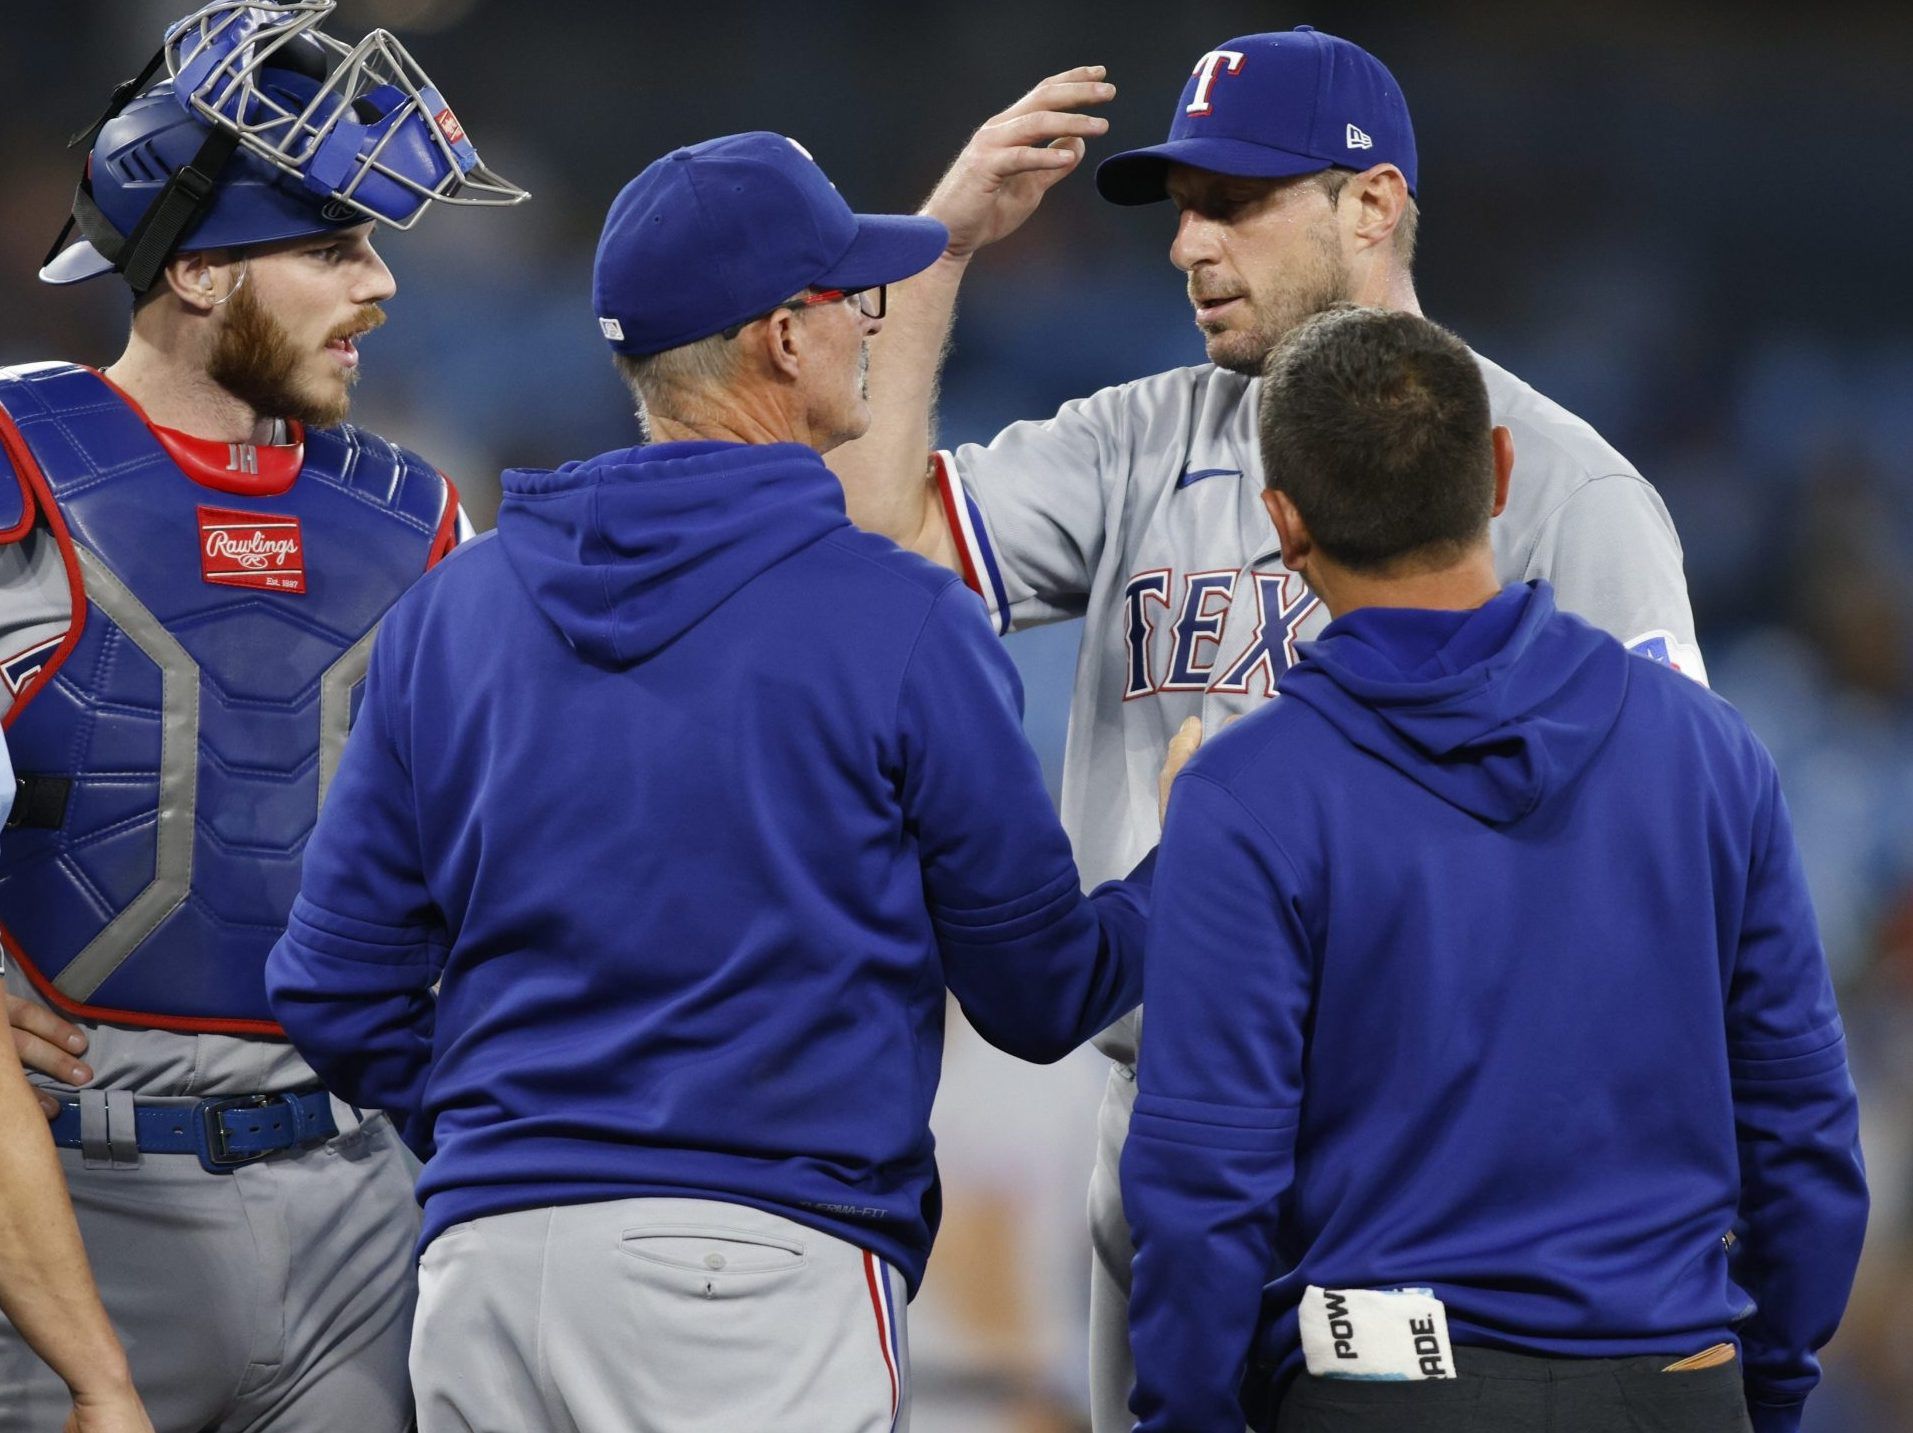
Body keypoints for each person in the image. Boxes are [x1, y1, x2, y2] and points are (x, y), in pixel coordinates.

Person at [825, 27, 1707, 1425]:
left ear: (1371, 205)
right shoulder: (1138, 438)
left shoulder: (1560, 488)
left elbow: (1672, 860)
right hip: (1166, 1123)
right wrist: (934, 255)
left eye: (1233, 203)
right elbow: (872, 554)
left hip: (1423, 1140)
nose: (1187, 246)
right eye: (1180, 208)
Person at [262, 130, 1165, 1433]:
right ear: (781, 340)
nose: (869, 322)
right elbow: (1035, 996)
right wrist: (1192, 861)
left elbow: (333, 988)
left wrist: (516, 1123)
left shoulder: (453, 611)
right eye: (849, 298)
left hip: (487, 1264)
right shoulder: (898, 618)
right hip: (750, 1270)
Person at [1123, 305, 1868, 1433]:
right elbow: (1805, 1139)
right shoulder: (1709, 752)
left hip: (1374, 1392)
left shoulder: (1246, 792)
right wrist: (1752, 1381)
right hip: (1668, 1385)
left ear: (1283, 522)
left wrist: (1188, 1417)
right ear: (1500, 472)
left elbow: (1203, 1188)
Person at [0, 2, 524, 1426]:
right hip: (79, 1201)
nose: (380, 287)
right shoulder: (15, 457)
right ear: (198, 272)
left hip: (362, 1200)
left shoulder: (417, 515)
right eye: (334, 247)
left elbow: (495, 854)